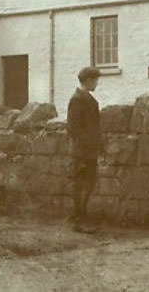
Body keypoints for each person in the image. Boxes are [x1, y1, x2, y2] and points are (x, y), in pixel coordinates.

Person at [66, 66, 102, 233]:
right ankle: (78, 219)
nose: (96, 83)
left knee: (88, 182)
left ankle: (80, 216)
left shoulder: (86, 98)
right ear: (88, 80)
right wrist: (83, 148)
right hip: (82, 150)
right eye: (95, 80)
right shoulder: (77, 99)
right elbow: (74, 127)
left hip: (89, 149)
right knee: (81, 183)